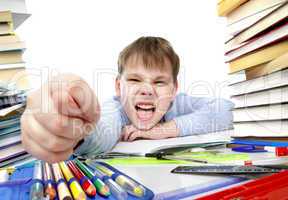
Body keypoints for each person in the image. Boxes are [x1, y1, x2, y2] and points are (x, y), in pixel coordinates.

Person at [21, 36, 234, 163]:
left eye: (160, 82)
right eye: (134, 79)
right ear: (118, 87)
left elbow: (226, 110)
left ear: (174, 89)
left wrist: (163, 130)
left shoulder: (177, 104)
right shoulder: (115, 108)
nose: (147, 90)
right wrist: (75, 130)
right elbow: (102, 131)